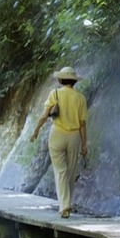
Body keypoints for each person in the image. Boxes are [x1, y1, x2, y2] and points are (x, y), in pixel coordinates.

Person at [29, 65, 89, 218]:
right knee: (70, 171)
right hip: (74, 136)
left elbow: (44, 115)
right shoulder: (80, 98)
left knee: (60, 171)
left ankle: (64, 205)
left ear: (61, 79)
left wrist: (36, 130)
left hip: (57, 135)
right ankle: (66, 203)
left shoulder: (54, 94)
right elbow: (82, 124)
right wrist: (84, 144)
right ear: (74, 81)